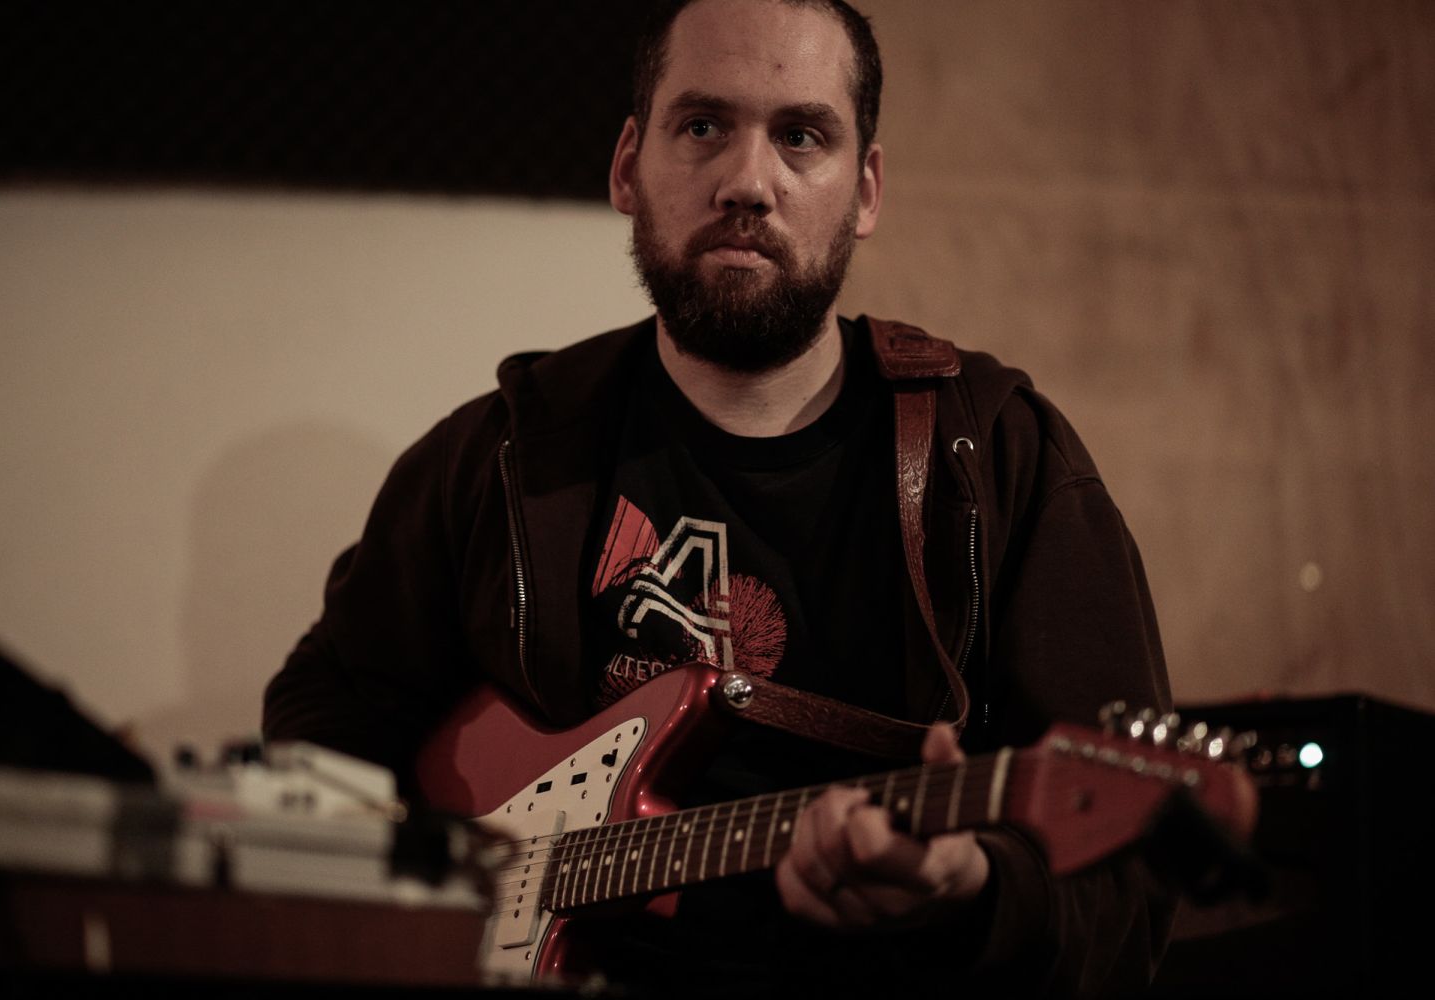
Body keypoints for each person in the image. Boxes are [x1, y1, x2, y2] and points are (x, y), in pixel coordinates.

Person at [263, 0, 1173, 995]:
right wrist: (426, 907)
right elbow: (323, 718)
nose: (747, 181)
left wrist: (975, 890)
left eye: (802, 136)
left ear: (866, 190)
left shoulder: (997, 457)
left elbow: (1132, 878)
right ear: (627, 167)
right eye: (703, 126)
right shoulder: (505, 452)